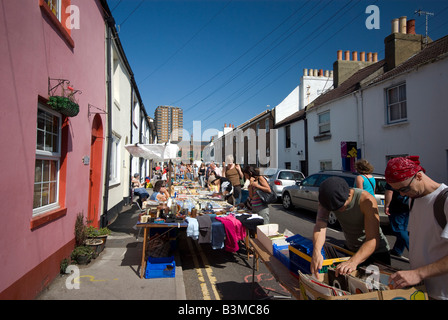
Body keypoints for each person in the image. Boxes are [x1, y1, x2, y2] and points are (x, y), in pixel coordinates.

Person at [385, 156, 448, 300]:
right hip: (422, 290)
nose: (401, 194)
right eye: (397, 191)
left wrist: (418, 273)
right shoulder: (413, 199)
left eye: (404, 188)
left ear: (419, 176)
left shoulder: (444, 201)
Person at [311, 176, 390, 277]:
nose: (339, 210)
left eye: (341, 206)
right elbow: (320, 226)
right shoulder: (326, 200)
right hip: (352, 249)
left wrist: (353, 262)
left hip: (377, 253)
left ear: (348, 194)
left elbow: (372, 239)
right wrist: (317, 252)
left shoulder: (365, 200)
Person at [384, 183, 410, 260]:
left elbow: (389, 192)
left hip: (396, 206)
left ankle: (413, 250)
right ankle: (397, 250)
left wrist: (387, 205)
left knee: (399, 230)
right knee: (404, 229)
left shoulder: (392, 179)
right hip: (407, 205)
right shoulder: (407, 177)